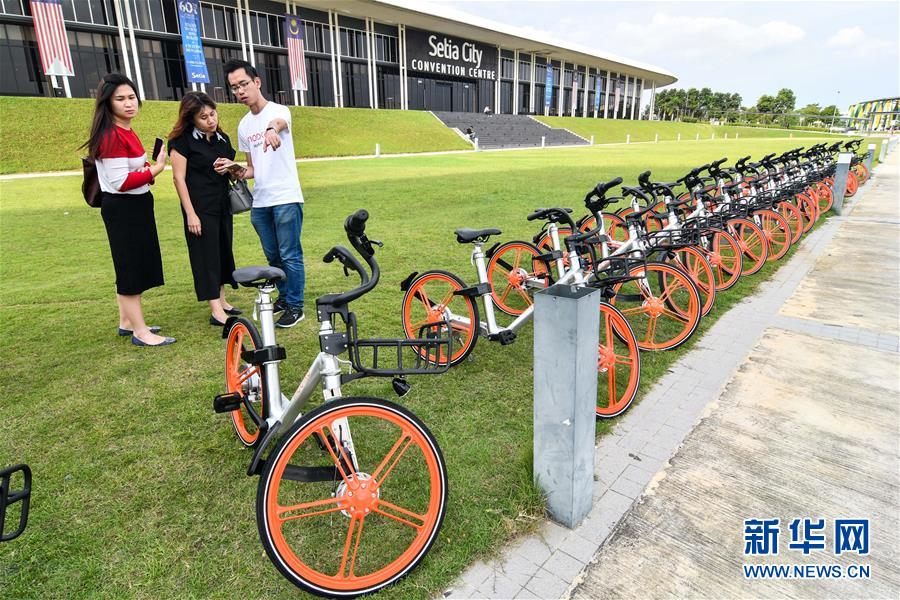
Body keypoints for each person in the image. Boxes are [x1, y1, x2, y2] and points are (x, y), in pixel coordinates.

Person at [83, 73, 174, 347]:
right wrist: (157, 167)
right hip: (124, 208)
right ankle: (140, 331)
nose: (128, 103)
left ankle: (127, 322)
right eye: (120, 99)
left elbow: (132, 172)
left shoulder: (126, 130)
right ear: (107, 103)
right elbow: (121, 182)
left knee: (131, 264)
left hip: (136, 205)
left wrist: (148, 170)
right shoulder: (111, 135)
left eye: (132, 97)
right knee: (130, 267)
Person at [220, 59, 305, 328]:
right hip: (261, 200)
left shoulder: (279, 111)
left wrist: (271, 129)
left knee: (290, 254)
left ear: (257, 82)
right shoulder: (244, 125)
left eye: (243, 84)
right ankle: (284, 296)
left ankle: (295, 306)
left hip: (286, 197)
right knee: (273, 256)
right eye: (234, 88)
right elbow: (253, 169)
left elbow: (279, 123)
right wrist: (235, 169)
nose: (240, 91)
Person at [167, 92, 241, 327]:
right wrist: (190, 213)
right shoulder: (182, 141)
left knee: (221, 252)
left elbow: (233, 171)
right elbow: (178, 179)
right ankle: (216, 310)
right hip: (199, 208)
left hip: (221, 205)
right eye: (203, 117)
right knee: (205, 256)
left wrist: (231, 166)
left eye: (212, 113)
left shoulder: (221, 139)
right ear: (191, 119)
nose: (210, 120)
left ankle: (222, 299)